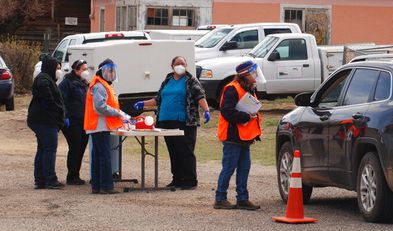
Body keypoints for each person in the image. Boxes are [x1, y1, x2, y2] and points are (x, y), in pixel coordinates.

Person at [133, 56, 210, 189]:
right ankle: (177, 179)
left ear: (186, 65)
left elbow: (200, 96)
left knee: (185, 151)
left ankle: (190, 180)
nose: (180, 65)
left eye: (182, 63)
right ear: (172, 66)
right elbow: (158, 99)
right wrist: (143, 103)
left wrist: (206, 110)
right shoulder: (167, 80)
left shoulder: (190, 80)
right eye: (177, 63)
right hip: (166, 120)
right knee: (173, 151)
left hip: (184, 121)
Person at [214, 60, 262, 210]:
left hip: (245, 136)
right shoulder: (231, 89)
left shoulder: (249, 88)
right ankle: (220, 198)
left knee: (244, 167)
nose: (256, 76)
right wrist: (246, 117)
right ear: (246, 75)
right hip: (232, 136)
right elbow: (227, 112)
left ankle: (242, 199)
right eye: (253, 73)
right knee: (229, 167)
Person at [84, 59, 130, 194]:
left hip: (100, 125)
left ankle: (97, 186)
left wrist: (119, 113)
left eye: (112, 71)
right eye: (109, 71)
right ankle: (106, 186)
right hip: (99, 126)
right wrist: (118, 114)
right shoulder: (99, 85)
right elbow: (100, 107)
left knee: (99, 156)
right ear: (102, 71)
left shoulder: (104, 85)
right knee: (104, 156)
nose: (111, 74)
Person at [27, 55, 65, 189]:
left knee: (43, 148)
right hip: (45, 121)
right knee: (49, 149)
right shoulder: (44, 79)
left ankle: (40, 179)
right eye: (58, 68)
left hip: (43, 120)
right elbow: (47, 96)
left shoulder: (47, 78)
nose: (59, 71)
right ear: (51, 68)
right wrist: (55, 109)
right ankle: (49, 179)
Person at [58, 59, 90, 185]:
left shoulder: (84, 84)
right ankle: (72, 175)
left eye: (86, 69)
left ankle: (76, 174)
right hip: (72, 121)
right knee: (75, 148)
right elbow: (62, 101)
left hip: (84, 121)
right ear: (76, 70)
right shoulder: (67, 83)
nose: (86, 72)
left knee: (81, 148)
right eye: (83, 69)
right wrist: (65, 117)